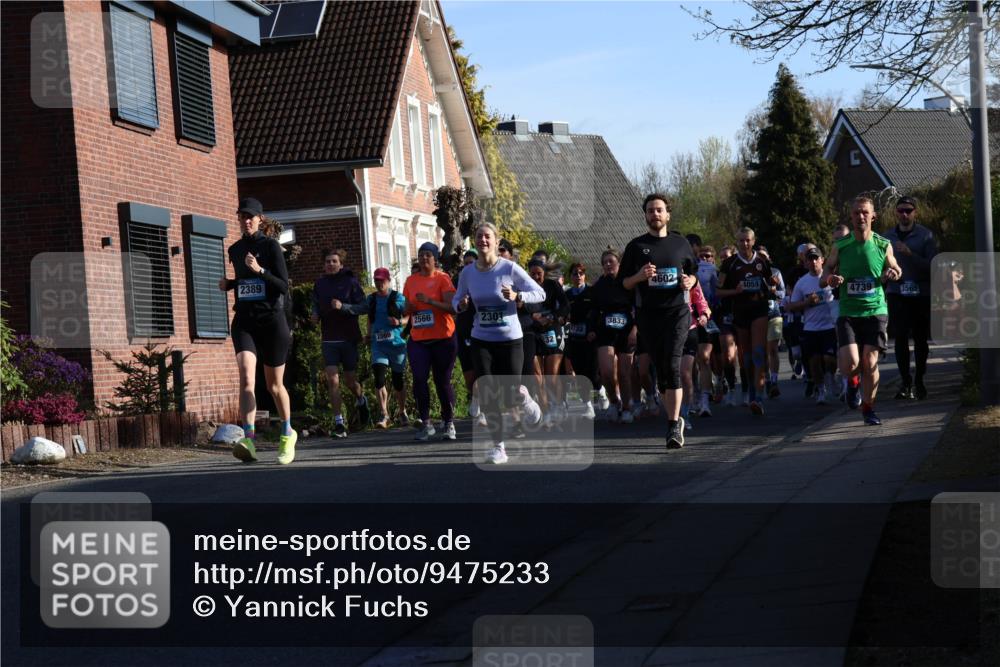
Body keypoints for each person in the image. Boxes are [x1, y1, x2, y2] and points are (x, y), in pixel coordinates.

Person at [453, 223, 546, 464]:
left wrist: (518, 297)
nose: (483, 240)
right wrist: (460, 305)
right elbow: (457, 298)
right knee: (487, 391)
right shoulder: (468, 273)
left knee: (511, 392)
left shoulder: (509, 268)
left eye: (487, 237)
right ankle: (499, 446)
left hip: (510, 339)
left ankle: (525, 398)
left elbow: (540, 293)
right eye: (479, 237)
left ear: (496, 241)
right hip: (481, 338)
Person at [219, 197, 296, 464]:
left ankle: (287, 433)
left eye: (251, 216)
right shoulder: (235, 250)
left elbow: (283, 286)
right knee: (247, 378)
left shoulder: (271, 246)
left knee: (275, 385)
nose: (246, 220)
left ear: (260, 219)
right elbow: (244, 281)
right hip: (245, 321)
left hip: (272, 320)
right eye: (242, 216)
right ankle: (249, 439)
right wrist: (230, 284)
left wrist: (260, 269)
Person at [619, 193, 698, 449]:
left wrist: (691, 281)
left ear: (668, 215)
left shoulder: (680, 243)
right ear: (646, 216)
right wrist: (640, 276)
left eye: (659, 210)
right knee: (662, 371)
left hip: (677, 312)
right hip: (649, 315)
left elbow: (693, 274)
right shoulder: (635, 247)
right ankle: (674, 418)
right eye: (651, 210)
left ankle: (673, 425)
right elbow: (624, 283)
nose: (655, 214)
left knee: (673, 365)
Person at [821, 196, 903, 425]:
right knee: (850, 365)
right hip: (848, 311)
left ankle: (868, 409)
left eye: (865, 212)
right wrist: (830, 277)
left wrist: (894, 273)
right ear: (851, 216)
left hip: (875, 310)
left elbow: (896, 267)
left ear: (873, 216)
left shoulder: (882, 244)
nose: (860, 217)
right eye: (856, 213)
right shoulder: (841, 246)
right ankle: (853, 383)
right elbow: (826, 269)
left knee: (869, 361)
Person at [335, 267, 409, 429]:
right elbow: (362, 312)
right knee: (379, 378)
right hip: (379, 345)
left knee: (398, 381)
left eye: (382, 280)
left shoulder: (398, 298)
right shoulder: (372, 300)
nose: (379, 283)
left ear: (388, 281)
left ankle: (402, 411)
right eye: (376, 280)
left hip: (396, 344)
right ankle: (384, 414)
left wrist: (399, 322)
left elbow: (409, 317)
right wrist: (343, 307)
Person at [716, 227, 777, 416]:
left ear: (753, 241)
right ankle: (751, 390)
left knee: (758, 352)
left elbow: (770, 285)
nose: (744, 244)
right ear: (737, 242)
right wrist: (736, 291)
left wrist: (772, 285)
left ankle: (758, 397)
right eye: (741, 241)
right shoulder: (729, 264)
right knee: (747, 357)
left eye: (747, 240)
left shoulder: (762, 261)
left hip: (759, 310)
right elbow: (718, 291)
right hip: (740, 313)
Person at [403, 242, 459, 441]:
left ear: (435, 259)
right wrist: (407, 308)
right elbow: (405, 309)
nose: (424, 258)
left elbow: (453, 308)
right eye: (421, 255)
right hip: (418, 339)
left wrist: (430, 301)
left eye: (428, 255)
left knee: (441, 381)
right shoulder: (410, 281)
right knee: (419, 380)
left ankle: (448, 421)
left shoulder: (443, 279)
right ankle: (426, 423)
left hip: (443, 339)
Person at [884, 196, 937, 400]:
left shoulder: (925, 236)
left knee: (921, 339)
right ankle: (905, 382)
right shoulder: (887, 237)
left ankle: (920, 380)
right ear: (895, 213)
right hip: (897, 293)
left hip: (920, 293)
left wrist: (909, 254)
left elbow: (933, 266)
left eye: (908, 210)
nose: (904, 214)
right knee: (900, 338)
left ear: (915, 212)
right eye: (900, 211)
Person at [313, 248, 370, 438]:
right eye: (328, 261)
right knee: (332, 381)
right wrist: (314, 314)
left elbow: (364, 306)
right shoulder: (319, 284)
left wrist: (343, 307)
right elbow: (316, 304)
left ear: (341, 264)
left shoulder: (350, 282)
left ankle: (361, 398)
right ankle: (339, 423)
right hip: (329, 338)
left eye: (334, 261)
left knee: (350, 381)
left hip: (348, 338)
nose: (330, 264)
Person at [588, 248, 637, 423]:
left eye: (611, 261)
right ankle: (614, 401)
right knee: (607, 372)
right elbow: (593, 309)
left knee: (624, 374)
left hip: (626, 331)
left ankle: (627, 407)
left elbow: (638, 307)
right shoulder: (599, 285)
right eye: (605, 262)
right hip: (606, 331)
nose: (608, 265)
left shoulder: (628, 283)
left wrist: (635, 330)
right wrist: (592, 329)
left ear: (618, 263)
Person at [787, 247, 838, 404]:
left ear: (822, 260)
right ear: (806, 262)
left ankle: (831, 378)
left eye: (816, 258)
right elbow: (791, 306)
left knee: (829, 359)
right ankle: (821, 390)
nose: (814, 261)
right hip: (811, 328)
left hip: (829, 326)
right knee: (814, 362)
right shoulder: (802, 283)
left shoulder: (830, 278)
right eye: (810, 259)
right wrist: (807, 302)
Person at [564, 262, 597, 419]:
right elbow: (563, 312)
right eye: (575, 274)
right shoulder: (568, 295)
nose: (578, 276)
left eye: (580, 273)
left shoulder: (592, 292)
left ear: (585, 275)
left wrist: (593, 330)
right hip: (574, 337)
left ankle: (601, 390)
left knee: (593, 371)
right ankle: (588, 405)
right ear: (570, 277)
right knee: (579, 371)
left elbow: (597, 312)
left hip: (590, 337)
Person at [455, 249, 484, 424]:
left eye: (471, 263)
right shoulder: (459, 281)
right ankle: (474, 398)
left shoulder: (484, 280)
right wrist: (460, 303)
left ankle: (484, 409)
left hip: (481, 331)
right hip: (463, 330)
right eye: (465, 263)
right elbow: (452, 304)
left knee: (481, 371)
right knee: (469, 375)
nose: (467, 266)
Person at [680, 279, 712, 430]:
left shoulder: (690, 279)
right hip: (666, 330)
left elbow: (701, 301)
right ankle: (674, 413)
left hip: (689, 327)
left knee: (685, 372)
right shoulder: (658, 277)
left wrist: (704, 314)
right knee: (668, 375)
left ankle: (685, 415)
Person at [756, 245, 786, 398]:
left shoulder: (775, 272)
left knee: (772, 349)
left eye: (764, 256)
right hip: (758, 315)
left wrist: (774, 291)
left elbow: (783, 293)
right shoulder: (751, 273)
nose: (761, 258)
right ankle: (767, 380)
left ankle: (774, 381)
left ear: (768, 258)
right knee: (762, 351)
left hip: (774, 313)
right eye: (758, 256)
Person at [696, 245, 722, 416]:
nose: (705, 259)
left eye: (708, 256)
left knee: (708, 357)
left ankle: (709, 394)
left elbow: (719, 291)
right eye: (702, 256)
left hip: (711, 317)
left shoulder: (714, 271)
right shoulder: (689, 270)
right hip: (690, 318)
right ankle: (697, 398)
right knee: (694, 362)